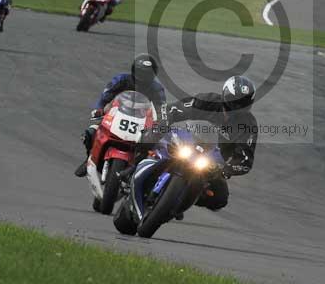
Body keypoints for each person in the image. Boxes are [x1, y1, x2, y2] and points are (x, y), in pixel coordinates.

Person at [161, 75, 258, 212]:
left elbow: (245, 160)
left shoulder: (248, 125)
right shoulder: (208, 101)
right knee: (150, 141)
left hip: (211, 164)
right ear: (225, 97)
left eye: (242, 104)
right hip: (186, 143)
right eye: (233, 102)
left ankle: (179, 201)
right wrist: (163, 122)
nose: (235, 108)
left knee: (220, 199)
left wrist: (225, 170)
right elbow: (175, 109)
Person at [74, 53, 167, 177]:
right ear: (134, 71)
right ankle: (89, 158)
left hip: (142, 121)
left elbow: (162, 110)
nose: (144, 77)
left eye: (148, 74)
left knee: (154, 147)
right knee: (90, 132)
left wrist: (161, 122)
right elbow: (105, 97)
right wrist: (99, 109)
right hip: (117, 115)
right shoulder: (121, 80)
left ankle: (136, 171)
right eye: (141, 73)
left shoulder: (157, 89)